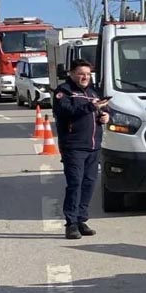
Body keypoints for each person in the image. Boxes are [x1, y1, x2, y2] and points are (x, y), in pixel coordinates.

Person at [52, 59, 108, 240]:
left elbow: (100, 111)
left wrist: (105, 116)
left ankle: (81, 219)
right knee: (75, 184)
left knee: (89, 183)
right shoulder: (64, 92)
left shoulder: (93, 92)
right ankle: (71, 224)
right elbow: (65, 111)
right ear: (71, 74)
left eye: (88, 74)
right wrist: (92, 106)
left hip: (93, 146)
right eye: (81, 73)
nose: (85, 77)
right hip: (74, 147)